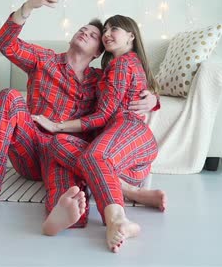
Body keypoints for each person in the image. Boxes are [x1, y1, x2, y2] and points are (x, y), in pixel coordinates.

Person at [0, 0, 158, 230]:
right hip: (31, 150)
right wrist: (30, 5)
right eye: (83, 29)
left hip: (63, 152)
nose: (85, 32)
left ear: (98, 52)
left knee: (66, 175)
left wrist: (153, 99)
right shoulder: (44, 60)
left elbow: (122, 100)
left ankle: (64, 214)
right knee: (8, 96)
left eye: (94, 35)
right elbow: (5, 42)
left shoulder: (100, 79)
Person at [33, 15, 164, 253]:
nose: (107, 33)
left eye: (114, 29)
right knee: (58, 145)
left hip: (130, 135)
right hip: (119, 160)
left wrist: (57, 125)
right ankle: (126, 190)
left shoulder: (123, 64)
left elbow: (103, 116)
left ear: (131, 36)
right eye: (105, 30)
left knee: (92, 156)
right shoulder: (111, 68)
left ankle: (117, 219)